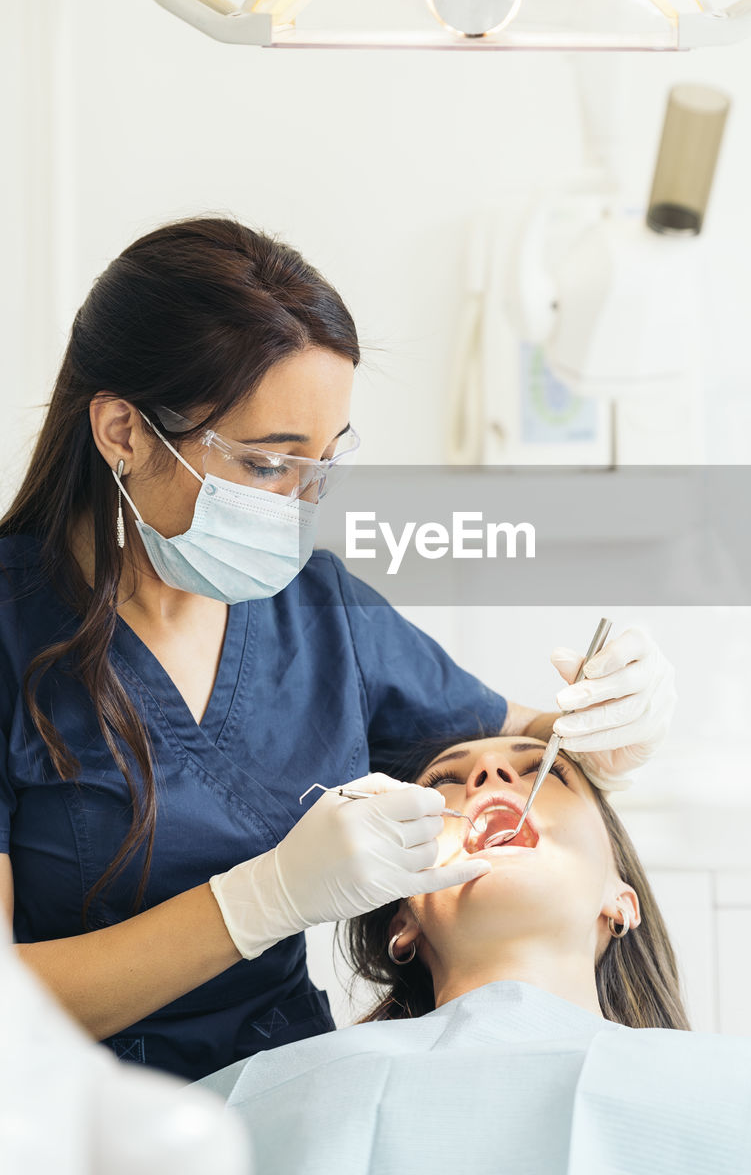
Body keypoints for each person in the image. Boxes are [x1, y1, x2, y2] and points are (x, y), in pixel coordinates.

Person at [0, 216, 676, 1082]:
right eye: (266, 465)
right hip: (73, 1117)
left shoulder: (319, 614)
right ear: (123, 432)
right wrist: (258, 901)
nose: (299, 505)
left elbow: (513, 757)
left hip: (289, 1093)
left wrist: (607, 727)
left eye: (325, 465)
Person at [199, 736, 751, 1175]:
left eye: (550, 771)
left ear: (619, 899)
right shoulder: (233, 1108)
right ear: (402, 917)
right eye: (445, 783)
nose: (489, 777)